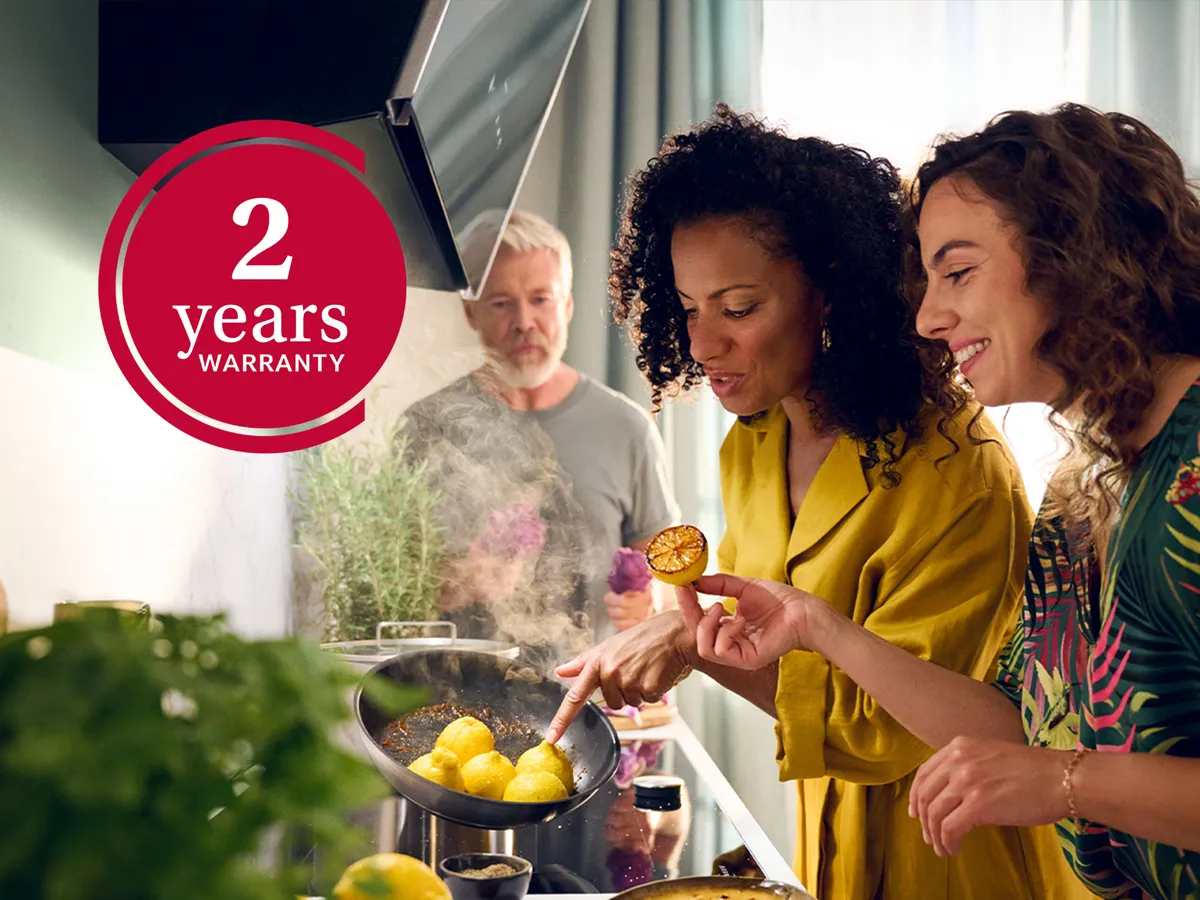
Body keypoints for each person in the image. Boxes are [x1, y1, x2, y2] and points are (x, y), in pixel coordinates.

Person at [546, 106, 1086, 900]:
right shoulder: (752, 444)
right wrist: (690, 633)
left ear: (829, 292)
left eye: (738, 308)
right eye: (689, 308)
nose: (702, 345)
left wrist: (692, 644)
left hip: (954, 856)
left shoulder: (957, 470)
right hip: (827, 837)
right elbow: (772, 646)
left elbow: (884, 732)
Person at [669, 104, 1200, 900]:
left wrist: (1067, 781)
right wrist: (817, 626)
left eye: (958, 273)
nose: (927, 316)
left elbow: (1051, 767)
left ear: (1076, 254)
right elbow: (1017, 726)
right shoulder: (1081, 487)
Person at [399, 209, 679, 657]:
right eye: (501, 302)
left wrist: (652, 600)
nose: (524, 321)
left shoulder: (626, 428)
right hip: (458, 688)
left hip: (594, 687)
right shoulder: (425, 427)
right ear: (471, 312)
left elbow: (667, 569)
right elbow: (389, 587)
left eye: (541, 299)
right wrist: (460, 580)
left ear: (567, 306)